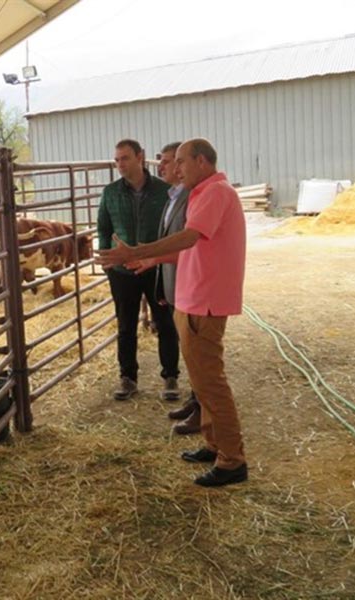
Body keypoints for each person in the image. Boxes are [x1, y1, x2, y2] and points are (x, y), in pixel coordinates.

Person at [96, 138, 248, 487]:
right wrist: (151, 258)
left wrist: (139, 248)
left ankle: (233, 460)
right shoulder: (202, 193)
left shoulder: (215, 193)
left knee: (211, 382)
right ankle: (215, 444)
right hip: (193, 296)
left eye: (181, 161)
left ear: (201, 161)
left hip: (205, 300)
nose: (174, 169)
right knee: (201, 381)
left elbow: (189, 238)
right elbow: (192, 248)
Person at [97, 139, 181, 401]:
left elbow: (172, 228)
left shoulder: (163, 190)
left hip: (155, 266)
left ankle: (170, 377)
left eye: (125, 158)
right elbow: (103, 227)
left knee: (165, 321)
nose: (120, 164)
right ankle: (128, 377)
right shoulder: (110, 193)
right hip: (122, 271)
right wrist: (108, 261)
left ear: (140, 157)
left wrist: (163, 258)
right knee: (125, 325)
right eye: (117, 160)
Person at [132, 142, 201, 435]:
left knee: (198, 351)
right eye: (161, 161)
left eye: (170, 161)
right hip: (175, 282)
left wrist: (151, 255)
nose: (163, 167)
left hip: (188, 283)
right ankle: (195, 400)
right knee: (189, 348)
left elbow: (187, 242)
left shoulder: (190, 197)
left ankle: (201, 409)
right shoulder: (173, 195)